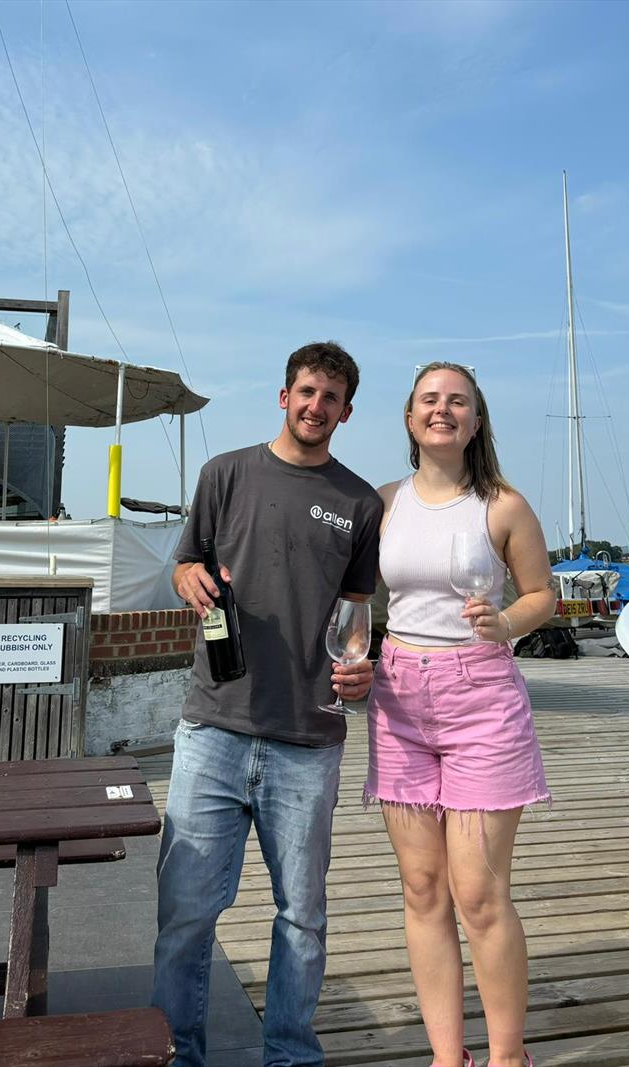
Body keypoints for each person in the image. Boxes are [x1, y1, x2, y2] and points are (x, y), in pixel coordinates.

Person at [152, 341, 382, 1067]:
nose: (317, 406)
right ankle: (178, 1054)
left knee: (303, 917)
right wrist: (188, 579)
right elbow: (185, 563)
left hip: (309, 739)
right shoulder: (225, 474)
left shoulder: (361, 503)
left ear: (347, 411)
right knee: (186, 914)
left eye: (332, 397)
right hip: (213, 726)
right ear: (283, 396)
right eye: (307, 391)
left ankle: (289, 1053)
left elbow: (356, 619)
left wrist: (363, 671)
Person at [363, 362, 556, 1067]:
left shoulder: (503, 505)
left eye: (458, 402)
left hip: (481, 701)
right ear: (410, 417)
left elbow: (543, 595)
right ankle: (450, 1056)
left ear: (476, 421)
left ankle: (507, 1055)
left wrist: (504, 620)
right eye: (429, 399)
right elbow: (348, 594)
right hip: (398, 700)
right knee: (421, 887)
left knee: (478, 892)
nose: (442, 410)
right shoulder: (383, 502)